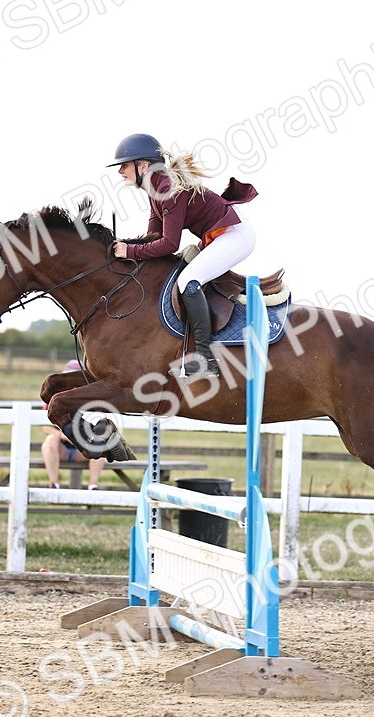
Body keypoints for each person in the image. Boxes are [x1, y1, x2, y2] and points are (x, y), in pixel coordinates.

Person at [107, 133, 258, 377]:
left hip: (235, 236)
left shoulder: (166, 187)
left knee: (189, 281)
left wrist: (131, 250)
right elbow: (153, 236)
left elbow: (168, 244)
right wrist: (125, 245)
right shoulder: (155, 189)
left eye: (124, 165)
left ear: (143, 166)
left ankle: (206, 360)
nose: (120, 171)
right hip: (222, 235)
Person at [41, 359, 105, 489]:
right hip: (60, 448)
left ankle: (93, 486)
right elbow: (45, 427)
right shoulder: (53, 398)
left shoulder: (91, 399)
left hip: (81, 450)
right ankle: (54, 484)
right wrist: (63, 435)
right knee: (51, 440)